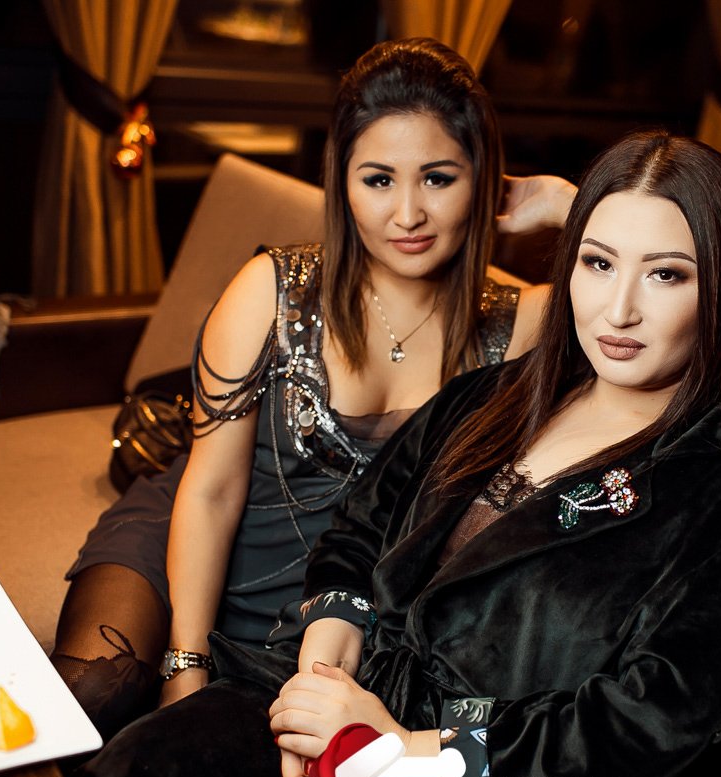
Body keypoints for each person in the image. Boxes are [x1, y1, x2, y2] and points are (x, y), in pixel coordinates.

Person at [71, 129, 721, 777]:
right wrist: (320, 680)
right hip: (339, 700)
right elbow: (360, 529)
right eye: (597, 263)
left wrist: (405, 750)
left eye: (666, 274)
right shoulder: (498, 394)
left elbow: (657, 729)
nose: (618, 308)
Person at [49, 38, 567, 739]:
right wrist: (185, 665)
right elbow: (209, 492)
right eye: (378, 179)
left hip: (338, 614)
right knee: (91, 696)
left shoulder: (525, 324)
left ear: (483, 180)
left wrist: (563, 202)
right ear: (341, 181)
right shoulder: (271, 290)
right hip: (189, 542)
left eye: (439, 179)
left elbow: (679, 289)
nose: (407, 213)